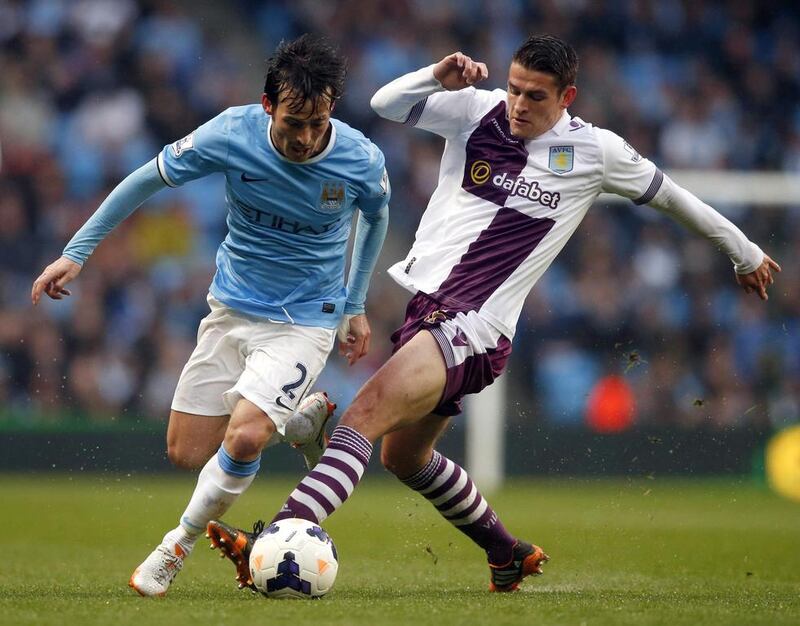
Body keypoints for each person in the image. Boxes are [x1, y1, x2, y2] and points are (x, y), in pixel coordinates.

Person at [208, 34, 780, 593]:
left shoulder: (596, 151)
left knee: (362, 415)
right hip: (426, 309)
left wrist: (744, 252)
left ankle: (276, 537)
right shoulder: (476, 112)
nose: (519, 105)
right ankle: (507, 554)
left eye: (536, 96)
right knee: (404, 457)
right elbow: (386, 103)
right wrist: (437, 75)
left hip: (475, 325)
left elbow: (673, 196)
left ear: (567, 98)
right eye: (514, 89)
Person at [30, 34, 391, 597]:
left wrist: (354, 302)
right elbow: (146, 177)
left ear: (332, 110)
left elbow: (376, 214)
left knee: (243, 438)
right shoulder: (231, 133)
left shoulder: (359, 157)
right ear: (268, 105)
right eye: (294, 122)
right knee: (187, 452)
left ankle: (177, 544)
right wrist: (76, 252)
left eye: (318, 123)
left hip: (304, 319)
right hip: (230, 308)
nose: (305, 137)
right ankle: (301, 421)